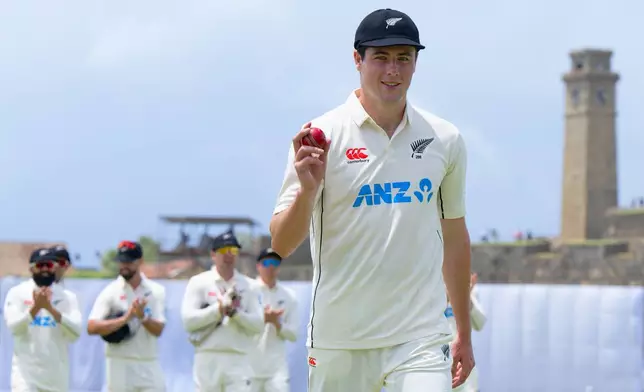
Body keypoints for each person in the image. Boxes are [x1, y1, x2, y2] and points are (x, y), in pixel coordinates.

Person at [270, 8, 474, 392]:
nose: (392, 71)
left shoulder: (445, 139)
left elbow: (454, 235)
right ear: (357, 60)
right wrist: (308, 191)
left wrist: (462, 330)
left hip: (421, 337)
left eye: (403, 58)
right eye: (381, 57)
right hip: (340, 339)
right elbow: (280, 243)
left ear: (416, 63)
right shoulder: (320, 137)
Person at [181, 229, 264, 392]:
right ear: (213, 254)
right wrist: (218, 310)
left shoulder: (249, 285)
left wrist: (235, 314)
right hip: (207, 357)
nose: (229, 255)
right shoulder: (199, 282)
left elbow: (258, 325)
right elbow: (188, 321)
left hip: (238, 358)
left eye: (233, 250)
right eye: (223, 250)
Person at [87, 240, 167, 392]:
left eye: (129, 262)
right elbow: (91, 327)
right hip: (119, 365)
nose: (124, 266)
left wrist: (142, 317)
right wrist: (125, 319)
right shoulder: (110, 291)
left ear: (140, 261)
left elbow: (158, 330)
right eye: (121, 261)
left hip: (148, 362)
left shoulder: (156, 291)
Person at [3, 248, 82, 392]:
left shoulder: (67, 297)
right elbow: (14, 328)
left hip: (56, 379)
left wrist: (51, 310)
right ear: (31, 269)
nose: (45, 269)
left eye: (49, 265)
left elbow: (76, 333)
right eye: (40, 265)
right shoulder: (18, 293)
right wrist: (35, 309)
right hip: (25, 378)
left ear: (55, 268)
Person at [250, 248, 299, 392]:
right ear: (258, 266)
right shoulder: (248, 291)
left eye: (275, 262)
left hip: (276, 370)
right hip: (248, 368)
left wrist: (277, 324)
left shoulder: (289, 296)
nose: (271, 266)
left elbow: (293, 334)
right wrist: (263, 318)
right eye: (267, 262)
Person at [446, 273, 487, 392]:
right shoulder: (429, 287)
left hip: (465, 378)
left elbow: (480, 324)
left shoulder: (469, 293)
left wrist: (464, 297)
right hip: (436, 369)